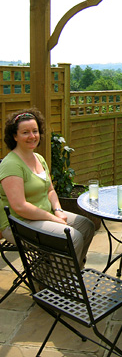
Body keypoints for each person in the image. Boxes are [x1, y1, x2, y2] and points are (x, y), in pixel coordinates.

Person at [0, 108, 95, 269]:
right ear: (14, 136)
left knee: (86, 226)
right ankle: (62, 282)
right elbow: (19, 206)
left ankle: (69, 271)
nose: (32, 136)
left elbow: (50, 190)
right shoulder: (11, 164)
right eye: (25, 132)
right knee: (72, 237)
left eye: (35, 131)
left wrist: (58, 210)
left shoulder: (38, 158)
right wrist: (53, 219)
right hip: (18, 223)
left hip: (43, 215)